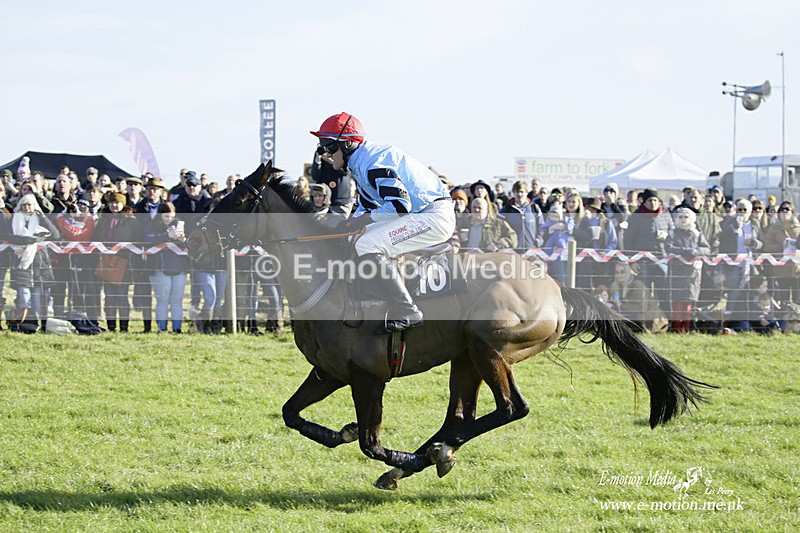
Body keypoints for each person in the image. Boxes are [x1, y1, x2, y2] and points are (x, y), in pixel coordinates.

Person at [311, 112, 456, 332]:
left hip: (433, 216)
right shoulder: (361, 163)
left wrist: (363, 220)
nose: (326, 154)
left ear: (348, 144)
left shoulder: (371, 163)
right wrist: (350, 223)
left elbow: (400, 205)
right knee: (354, 237)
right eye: (323, 148)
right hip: (420, 213)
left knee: (367, 244)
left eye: (329, 146)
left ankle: (407, 309)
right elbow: (368, 206)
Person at [8, 194, 60, 331]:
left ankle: (35, 326)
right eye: (24, 204)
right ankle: (21, 325)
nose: (27, 207)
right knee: (24, 297)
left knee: (37, 298)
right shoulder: (15, 218)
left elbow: (55, 234)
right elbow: (8, 236)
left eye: (30, 204)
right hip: (21, 263)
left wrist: (42, 216)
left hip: (39, 263)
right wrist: (28, 241)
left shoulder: (39, 219)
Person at [94, 192, 143, 332]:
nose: (114, 205)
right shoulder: (103, 220)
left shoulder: (131, 221)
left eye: (117, 203)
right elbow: (97, 238)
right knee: (109, 297)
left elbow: (138, 239)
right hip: (106, 261)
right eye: (112, 203)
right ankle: (111, 326)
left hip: (124, 263)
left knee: (122, 296)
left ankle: (123, 327)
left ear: (123, 204)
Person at [623, 188, 673, 317]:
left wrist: (666, 235)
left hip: (662, 261)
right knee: (642, 294)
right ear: (644, 202)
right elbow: (628, 240)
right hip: (642, 262)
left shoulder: (665, 216)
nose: (653, 203)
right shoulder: (635, 217)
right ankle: (644, 321)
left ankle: (666, 321)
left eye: (655, 200)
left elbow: (673, 235)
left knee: (664, 292)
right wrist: (631, 261)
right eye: (650, 200)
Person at [144, 202, 190, 333]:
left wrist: (183, 239)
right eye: (166, 217)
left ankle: (177, 328)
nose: (169, 220)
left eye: (171, 217)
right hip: (159, 268)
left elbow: (189, 243)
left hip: (179, 268)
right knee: (162, 299)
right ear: (160, 215)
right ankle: (162, 328)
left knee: (177, 299)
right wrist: (167, 236)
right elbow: (148, 239)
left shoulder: (180, 226)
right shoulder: (152, 226)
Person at [666, 208, 711, 333]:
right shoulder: (673, 233)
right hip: (676, 271)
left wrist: (696, 251)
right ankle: (676, 328)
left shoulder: (697, 234)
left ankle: (686, 327)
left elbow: (707, 249)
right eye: (680, 217)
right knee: (676, 302)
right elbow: (668, 247)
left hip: (692, 273)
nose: (683, 220)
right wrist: (686, 251)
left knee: (688, 302)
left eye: (686, 217)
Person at [719, 198, 763, 326]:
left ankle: (748, 319)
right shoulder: (730, 222)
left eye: (745, 210)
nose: (742, 212)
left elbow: (761, 243)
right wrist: (735, 228)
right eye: (739, 209)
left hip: (750, 265)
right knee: (733, 292)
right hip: (734, 264)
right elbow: (723, 238)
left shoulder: (755, 224)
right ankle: (729, 321)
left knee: (750, 292)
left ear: (750, 211)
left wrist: (754, 243)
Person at [762, 201, 800, 314]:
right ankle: (784, 323)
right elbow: (766, 247)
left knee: (798, 298)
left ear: (793, 212)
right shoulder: (773, 228)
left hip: (797, 269)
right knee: (784, 300)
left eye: (787, 209)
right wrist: (780, 246)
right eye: (782, 209)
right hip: (781, 269)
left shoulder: (799, 228)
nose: (784, 211)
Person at [574, 197, 618, 290]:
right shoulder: (580, 222)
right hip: (584, 260)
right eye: (588, 208)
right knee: (585, 286)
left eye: (593, 209)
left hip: (601, 261)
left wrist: (606, 251)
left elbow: (613, 241)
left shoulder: (606, 223)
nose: (590, 211)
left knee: (601, 286)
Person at [499, 180, 542, 251]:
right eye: (517, 192)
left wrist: (539, 239)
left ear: (526, 193)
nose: (519, 194)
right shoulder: (507, 209)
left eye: (522, 192)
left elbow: (541, 225)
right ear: (513, 193)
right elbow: (498, 227)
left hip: (531, 249)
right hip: (513, 250)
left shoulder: (534, 207)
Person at [539, 204, 573, 284]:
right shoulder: (548, 223)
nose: (554, 218)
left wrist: (565, 226)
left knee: (560, 276)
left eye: (556, 216)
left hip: (562, 248)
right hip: (550, 246)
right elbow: (542, 231)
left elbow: (570, 226)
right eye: (552, 216)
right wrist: (549, 229)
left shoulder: (566, 221)